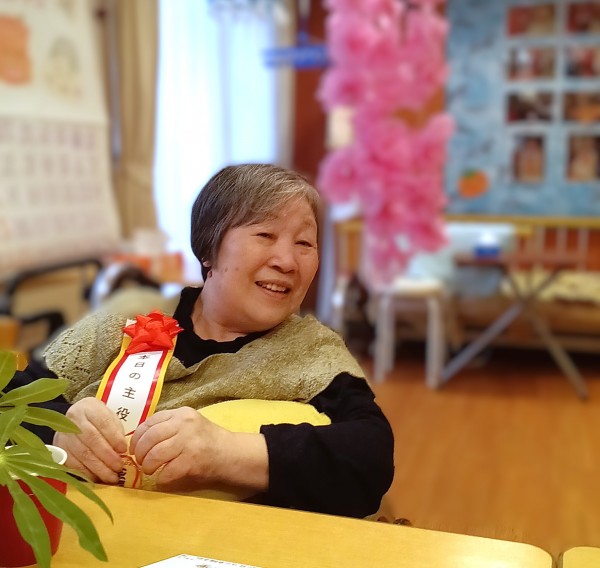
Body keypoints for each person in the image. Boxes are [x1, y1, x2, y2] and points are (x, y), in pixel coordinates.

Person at [11, 163, 394, 519]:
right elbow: (11, 398)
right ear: (209, 249)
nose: (287, 261)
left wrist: (224, 453)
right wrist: (59, 430)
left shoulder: (313, 352)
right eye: (265, 235)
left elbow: (370, 458)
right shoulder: (127, 318)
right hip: (75, 528)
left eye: (304, 243)